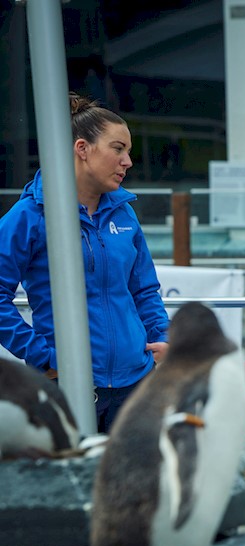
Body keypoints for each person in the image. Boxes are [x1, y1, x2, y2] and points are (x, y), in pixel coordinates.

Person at [0, 93, 169, 434]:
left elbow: (144, 290)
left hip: (134, 382)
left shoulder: (124, 213)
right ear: (82, 149)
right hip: (68, 385)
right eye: (118, 149)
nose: (128, 162)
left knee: (132, 485)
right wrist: (41, 355)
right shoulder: (30, 215)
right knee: (71, 486)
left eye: (129, 151)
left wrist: (162, 337)